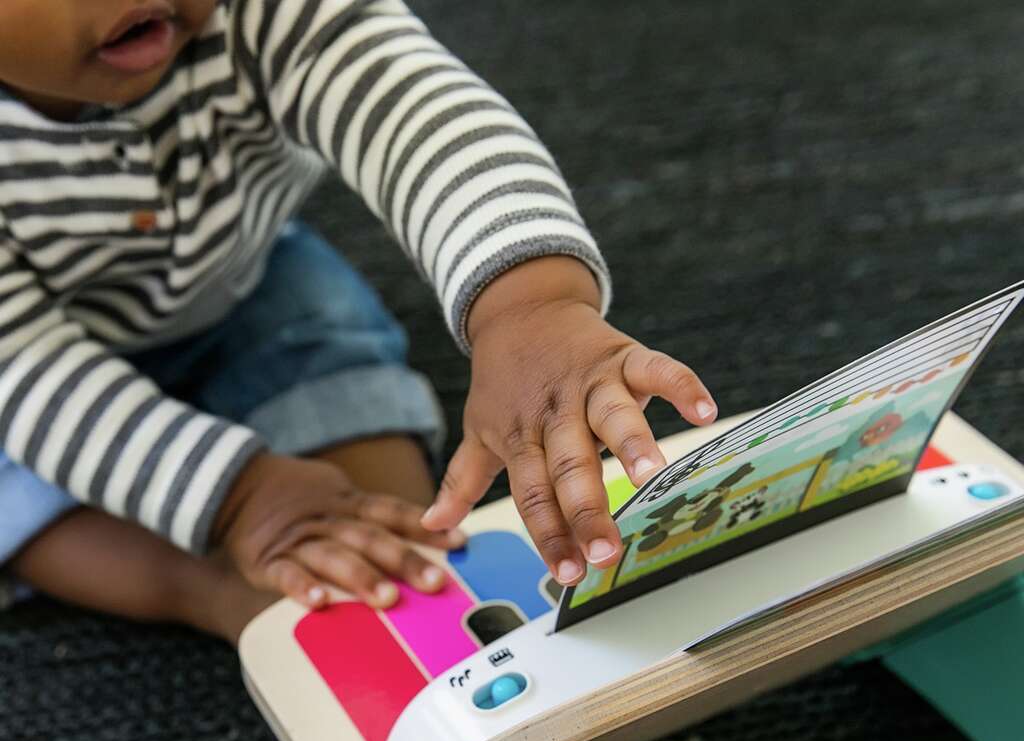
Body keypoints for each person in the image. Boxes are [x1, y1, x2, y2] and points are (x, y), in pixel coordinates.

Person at [0, 0, 718, 643]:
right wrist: (239, 497)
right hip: (20, 368)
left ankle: (354, 576)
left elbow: (420, 116)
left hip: (243, 288)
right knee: (41, 502)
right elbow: (22, 366)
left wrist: (529, 308)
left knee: (389, 532)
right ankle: (210, 588)